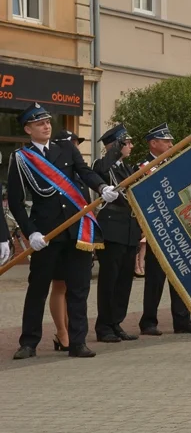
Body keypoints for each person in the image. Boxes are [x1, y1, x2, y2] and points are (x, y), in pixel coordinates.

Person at [9, 103, 120, 359]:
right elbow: (15, 201)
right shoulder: (21, 158)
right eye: (40, 123)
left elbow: (84, 173)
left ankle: (77, 341)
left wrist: (102, 188)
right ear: (28, 129)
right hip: (46, 233)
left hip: (76, 229)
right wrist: (31, 232)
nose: (47, 126)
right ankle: (28, 342)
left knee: (79, 288)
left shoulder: (66, 148)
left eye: (48, 122)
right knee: (38, 289)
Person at [137, 123, 191, 336]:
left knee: (181, 276)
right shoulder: (144, 166)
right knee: (155, 280)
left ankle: (183, 319)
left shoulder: (175, 164)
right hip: (158, 231)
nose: (171, 144)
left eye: (170, 140)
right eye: (166, 141)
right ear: (153, 143)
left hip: (179, 228)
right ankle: (148, 322)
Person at [93, 124, 143, 343]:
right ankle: (104, 325)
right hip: (112, 228)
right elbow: (101, 172)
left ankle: (116, 322)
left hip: (129, 228)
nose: (131, 146)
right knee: (109, 279)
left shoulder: (127, 167)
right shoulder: (103, 164)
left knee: (124, 280)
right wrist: (114, 150)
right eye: (127, 142)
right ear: (117, 145)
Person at [46, 130, 90, 350]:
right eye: (72, 143)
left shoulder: (79, 176)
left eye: (77, 143)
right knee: (60, 286)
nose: (75, 147)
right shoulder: (55, 174)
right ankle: (61, 332)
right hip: (59, 236)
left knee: (77, 288)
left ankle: (75, 333)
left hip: (79, 237)